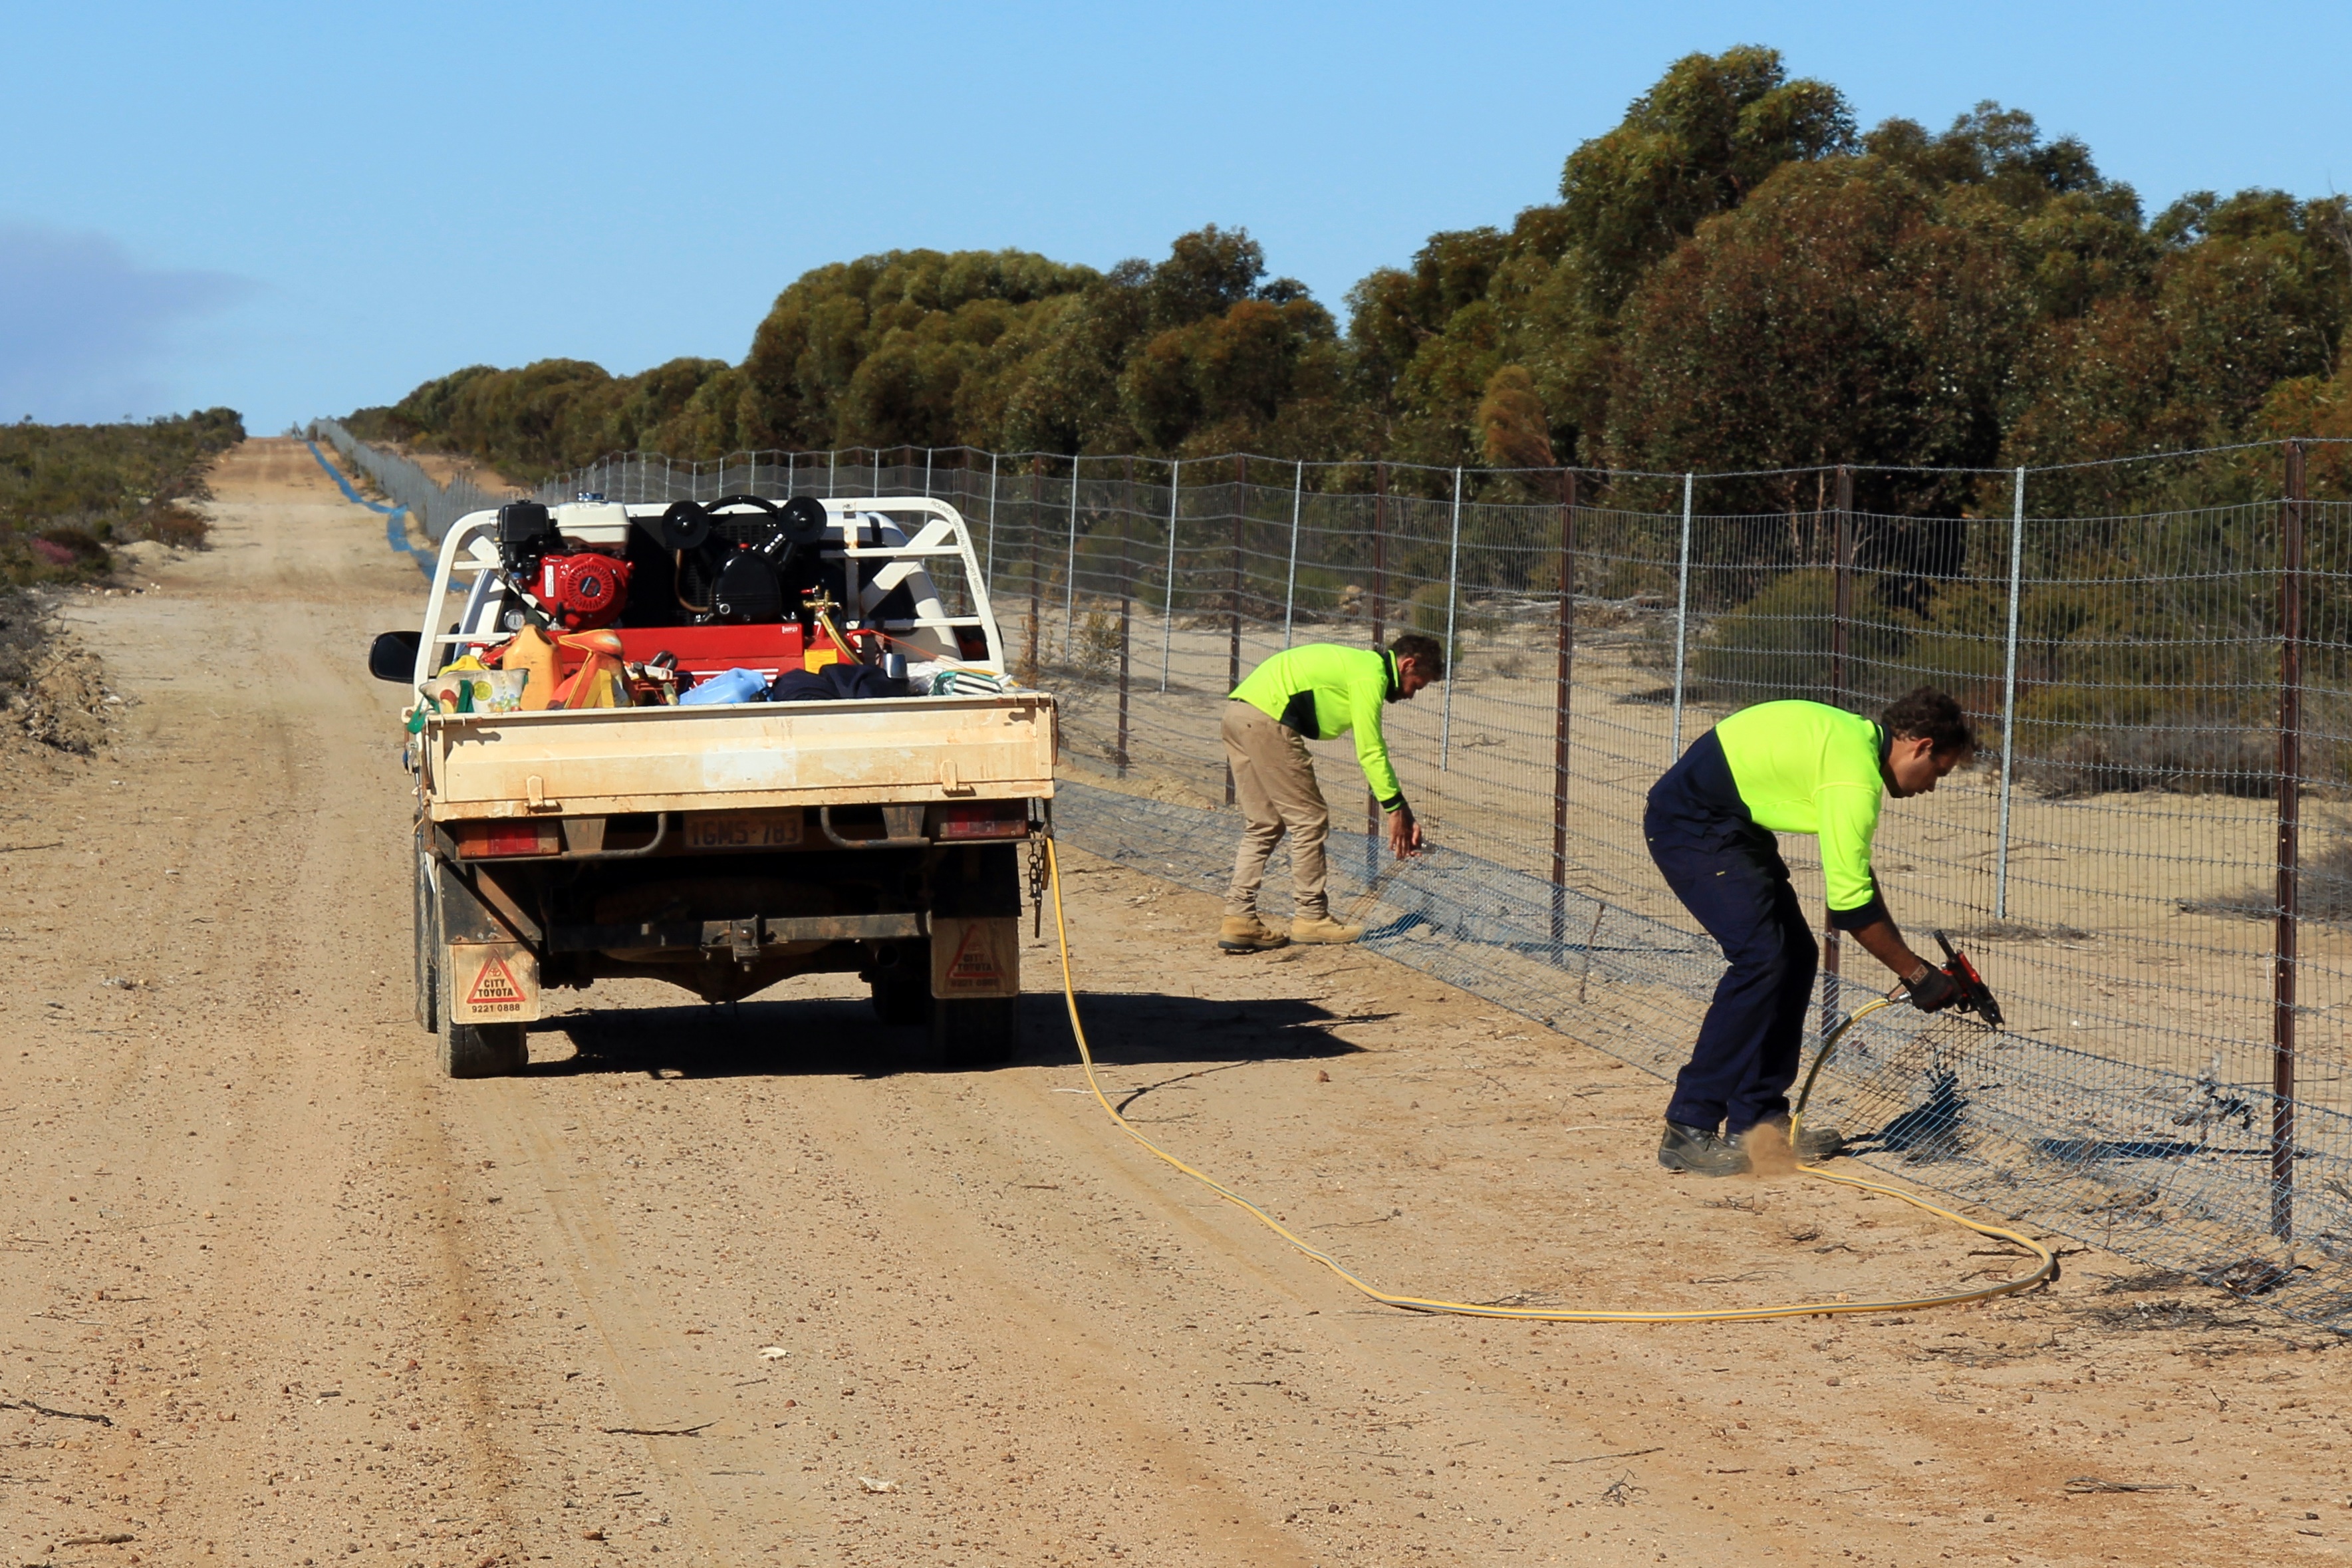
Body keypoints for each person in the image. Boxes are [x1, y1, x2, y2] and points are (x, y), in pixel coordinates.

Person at [1644, 687, 1977, 1176]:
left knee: (1794, 954)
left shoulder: (1855, 744)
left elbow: (1855, 880)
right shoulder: (1854, 778)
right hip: (1690, 824)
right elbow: (1851, 908)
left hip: (1730, 827)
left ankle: (1756, 1127)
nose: (1931, 785)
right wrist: (1918, 976)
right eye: (1938, 772)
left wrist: (1916, 971)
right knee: (1761, 959)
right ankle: (1687, 1128)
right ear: (1921, 747)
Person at [1220, 633, 1444, 952]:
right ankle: (1312, 917)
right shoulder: (1371, 673)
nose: (1411, 696)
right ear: (1408, 665)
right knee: (1309, 820)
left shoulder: (1357, 664)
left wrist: (1400, 811)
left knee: (1264, 823)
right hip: (1267, 720)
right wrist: (1397, 810)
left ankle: (1239, 919)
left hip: (1237, 714)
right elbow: (1370, 749)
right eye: (1417, 685)